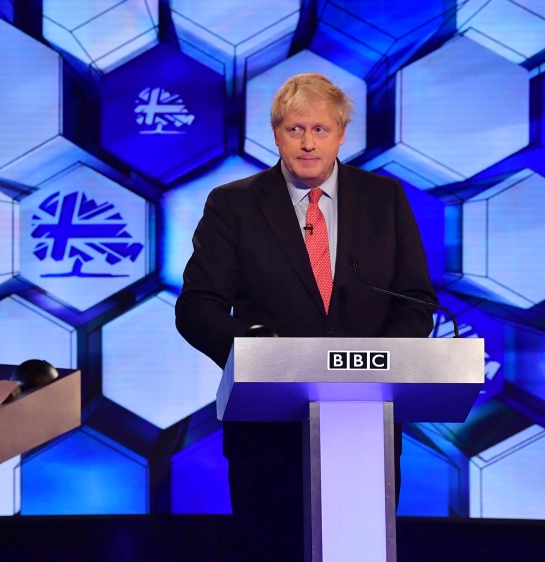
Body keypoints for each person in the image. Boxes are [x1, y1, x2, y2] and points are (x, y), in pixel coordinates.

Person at [176, 73, 436, 560]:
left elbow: (416, 299)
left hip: (365, 427)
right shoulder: (234, 204)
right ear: (275, 134)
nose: (308, 143)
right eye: (295, 129)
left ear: (341, 135)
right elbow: (197, 306)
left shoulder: (385, 200)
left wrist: (374, 362)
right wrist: (260, 359)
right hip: (266, 434)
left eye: (320, 129)